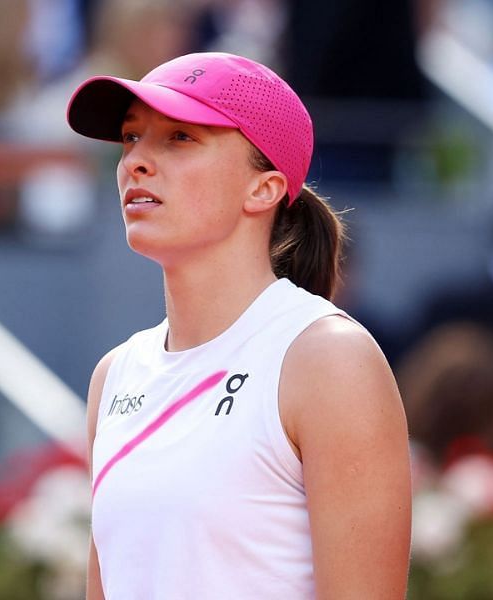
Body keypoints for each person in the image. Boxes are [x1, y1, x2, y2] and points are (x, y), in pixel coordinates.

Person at [67, 53, 410, 599]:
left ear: (264, 189)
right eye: (131, 138)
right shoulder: (114, 375)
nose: (136, 161)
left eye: (179, 137)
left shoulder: (328, 359)